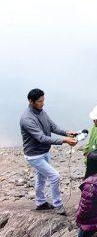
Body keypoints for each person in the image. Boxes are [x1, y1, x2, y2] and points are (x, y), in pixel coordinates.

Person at [19, 88, 78, 216]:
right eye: (40, 101)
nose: (43, 103)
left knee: (41, 177)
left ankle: (41, 202)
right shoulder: (27, 119)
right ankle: (58, 204)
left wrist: (67, 133)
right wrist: (65, 141)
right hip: (34, 156)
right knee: (55, 176)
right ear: (31, 101)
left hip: (44, 152)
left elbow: (52, 127)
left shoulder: (41, 111)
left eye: (43, 100)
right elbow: (42, 138)